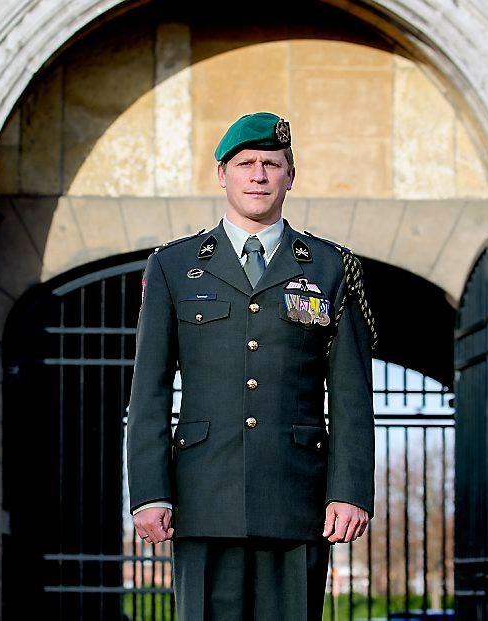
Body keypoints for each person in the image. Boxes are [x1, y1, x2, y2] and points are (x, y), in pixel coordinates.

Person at [126, 112, 376, 620]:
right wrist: (149, 492)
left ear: (290, 175)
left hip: (296, 497)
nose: (258, 175)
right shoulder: (173, 265)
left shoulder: (330, 266)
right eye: (245, 164)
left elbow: (351, 392)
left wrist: (350, 491)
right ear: (223, 174)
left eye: (271, 163)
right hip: (202, 497)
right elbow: (149, 389)